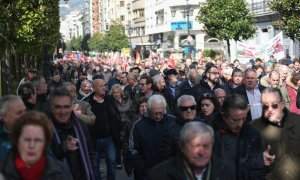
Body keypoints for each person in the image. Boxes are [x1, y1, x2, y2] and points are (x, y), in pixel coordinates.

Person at [147, 122, 232, 180]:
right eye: (195, 146)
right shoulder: (158, 175)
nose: (201, 152)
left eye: (206, 146)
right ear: (182, 146)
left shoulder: (225, 172)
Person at [1, 111, 73, 180]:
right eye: (27, 139)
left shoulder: (61, 173)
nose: (32, 145)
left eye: (38, 140)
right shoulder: (3, 171)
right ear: (17, 141)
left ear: (45, 143)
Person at [251, 88, 300, 179]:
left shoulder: (297, 122)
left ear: (282, 103)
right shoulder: (253, 128)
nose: (269, 109)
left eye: (274, 105)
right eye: (265, 106)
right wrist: (261, 162)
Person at [213, 94, 265, 180]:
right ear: (224, 115)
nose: (240, 124)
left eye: (243, 119)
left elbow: (257, 169)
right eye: (235, 120)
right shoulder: (208, 133)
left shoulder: (252, 136)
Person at [49, 87, 94, 180]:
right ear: (51, 108)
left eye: (66, 107)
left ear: (71, 107)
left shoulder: (80, 126)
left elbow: (90, 153)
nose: (63, 111)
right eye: (58, 107)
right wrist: (63, 148)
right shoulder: (44, 129)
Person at [129, 95, 175, 179]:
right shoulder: (138, 125)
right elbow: (133, 150)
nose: (158, 116)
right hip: (146, 174)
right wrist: (144, 169)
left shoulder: (173, 122)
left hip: (169, 173)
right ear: (149, 110)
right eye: (155, 113)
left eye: (160, 113)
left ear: (164, 109)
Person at [84, 78, 121, 180]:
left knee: (112, 162)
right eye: (101, 86)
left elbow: (116, 116)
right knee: (95, 165)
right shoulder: (88, 102)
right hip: (94, 140)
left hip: (109, 138)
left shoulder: (109, 99)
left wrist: (116, 131)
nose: (105, 87)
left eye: (105, 85)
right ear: (94, 88)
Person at [160, 95, 199, 161]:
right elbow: (166, 156)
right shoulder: (170, 131)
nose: (189, 110)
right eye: (184, 108)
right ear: (178, 110)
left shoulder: (204, 126)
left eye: (192, 107)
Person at [0, 95, 26, 167]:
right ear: (5, 117)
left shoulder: (36, 134)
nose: (25, 116)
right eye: (19, 113)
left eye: (25, 111)